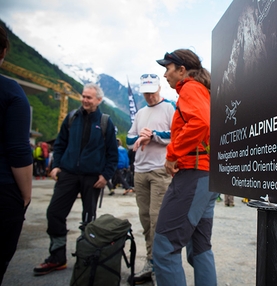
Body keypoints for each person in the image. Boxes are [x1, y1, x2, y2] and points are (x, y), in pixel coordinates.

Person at [33, 83, 118, 276]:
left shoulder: (105, 122)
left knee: (88, 220)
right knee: (54, 213)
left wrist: (106, 175)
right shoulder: (71, 118)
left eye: (89, 97)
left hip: (92, 177)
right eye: (83, 96)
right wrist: (56, 166)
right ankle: (57, 257)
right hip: (68, 174)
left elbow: (112, 153)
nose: (84, 100)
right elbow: (60, 143)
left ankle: (85, 258)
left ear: (99, 100)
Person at [152, 49, 218, 286]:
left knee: (164, 248)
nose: (165, 75)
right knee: (199, 249)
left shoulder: (190, 88)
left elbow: (200, 122)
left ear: (181, 70)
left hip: (193, 174)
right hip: (208, 177)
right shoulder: (203, 90)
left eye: (167, 69)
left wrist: (172, 154)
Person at [126, 73, 175, 284]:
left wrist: (152, 134)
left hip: (160, 171)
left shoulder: (169, 108)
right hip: (140, 171)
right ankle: (150, 260)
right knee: (145, 218)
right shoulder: (140, 113)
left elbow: (176, 135)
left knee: (157, 219)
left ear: (159, 88)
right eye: (145, 92)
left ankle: (159, 265)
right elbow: (129, 141)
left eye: (152, 91)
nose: (148, 96)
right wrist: (140, 136)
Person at [0, 25, 33, 284]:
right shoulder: (10, 91)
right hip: (4, 188)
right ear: (3, 52)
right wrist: (26, 194)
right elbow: (18, 150)